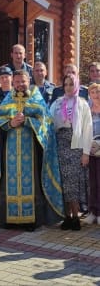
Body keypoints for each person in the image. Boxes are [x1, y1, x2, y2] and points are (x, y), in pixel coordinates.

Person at [0, 69, 64, 231]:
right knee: (9, 183)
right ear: (13, 83)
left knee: (32, 183)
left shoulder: (36, 97)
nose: (20, 85)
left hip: (30, 149)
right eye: (17, 82)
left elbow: (46, 122)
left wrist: (28, 120)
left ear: (28, 80)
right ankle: (8, 219)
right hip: (10, 150)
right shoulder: (8, 98)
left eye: (23, 81)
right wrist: (10, 124)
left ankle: (31, 220)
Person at [50, 73, 92, 230]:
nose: (68, 87)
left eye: (71, 84)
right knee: (63, 184)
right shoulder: (58, 103)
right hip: (60, 146)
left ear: (77, 86)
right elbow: (49, 122)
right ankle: (66, 217)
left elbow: (87, 129)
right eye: (66, 84)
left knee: (73, 184)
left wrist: (86, 152)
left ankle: (76, 217)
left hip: (75, 147)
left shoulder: (82, 104)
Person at [83, 81, 100, 225]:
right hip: (90, 150)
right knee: (92, 182)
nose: (96, 95)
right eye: (93, 92)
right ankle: (93, 211)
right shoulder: (87, 109)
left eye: (98, 92)